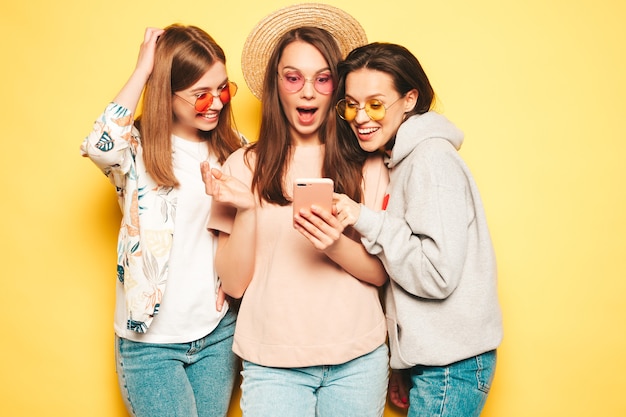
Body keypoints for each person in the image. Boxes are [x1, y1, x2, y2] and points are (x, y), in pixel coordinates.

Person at [203, 4, 390, 417]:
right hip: (273, 364)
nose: (308, 91)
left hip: (358, 358)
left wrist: (333, 244)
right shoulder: (240, 166)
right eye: (294, 78)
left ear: (337, 88)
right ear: (276, 85)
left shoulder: (369, 163)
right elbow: (233, 285)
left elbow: (381, 273)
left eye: (323, 79)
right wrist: (249, 208)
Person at [80, 24, 244, 417]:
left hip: (218, 332)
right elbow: (99, 144)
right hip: (151, 342)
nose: (216, 103)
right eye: (199, 95)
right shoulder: (136, 150)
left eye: (222, 89)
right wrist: (143, 70)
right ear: (166, 95)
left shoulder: (234, 147)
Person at [333, 42, 504, 417]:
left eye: (376, 104)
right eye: (350, 104)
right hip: (437, 362)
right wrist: (403, 362)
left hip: (451, 366)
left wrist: (365, 218)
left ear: (409, 99)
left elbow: (436, 275)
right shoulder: (403, 160)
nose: (361, 117)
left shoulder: (430, 161)